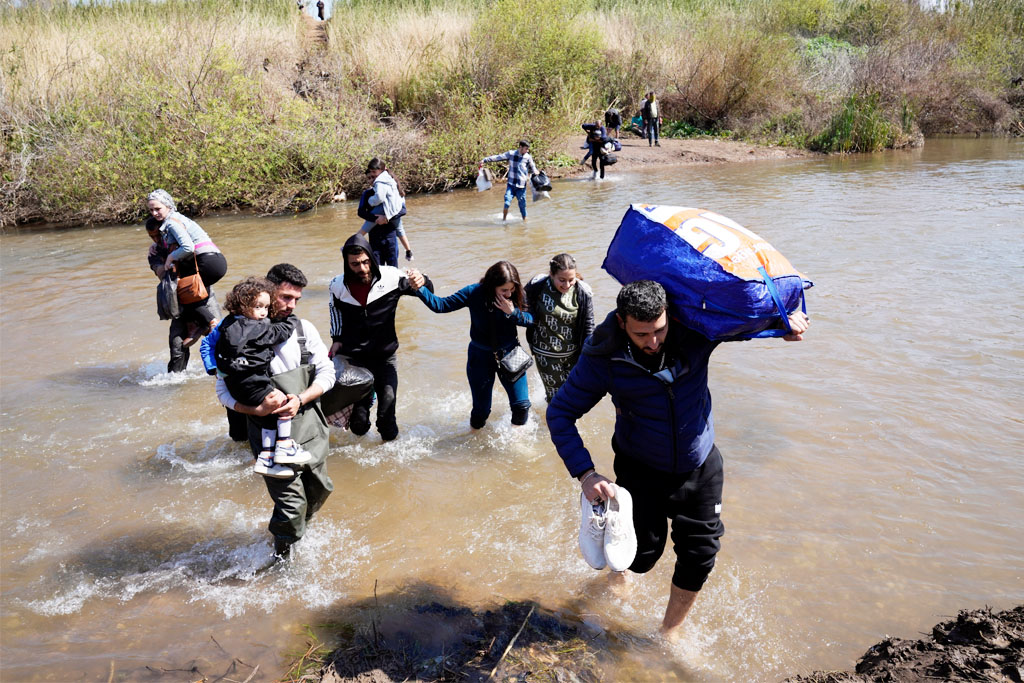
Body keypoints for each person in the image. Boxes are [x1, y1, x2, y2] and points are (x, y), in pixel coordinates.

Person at [546, 280, 809, 635]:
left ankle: (668, 631)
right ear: (622, 323)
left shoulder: (696, 332)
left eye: (659, 330)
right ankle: (618, 570)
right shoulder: (603, 358)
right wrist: (586, 474)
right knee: (641, 558)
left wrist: (783, 323)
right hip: (640, 468)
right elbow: (560, 413)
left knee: (700, 556)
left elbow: (742, 320)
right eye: (641, 334)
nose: (653, 342)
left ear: (669, 316)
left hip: (699, 465)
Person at [215, 263, 336, 560]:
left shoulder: (303, 329)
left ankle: (295, 538)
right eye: (284, 297)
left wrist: (301, 397)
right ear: (268, 292)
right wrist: (253, 408)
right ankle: (282, 559)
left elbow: (327, 373)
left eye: (296, 299)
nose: (290, 305)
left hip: (311, 430)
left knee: (319, 493)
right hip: (268, 437)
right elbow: (222, 390)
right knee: (292, 507)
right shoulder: (236, 332)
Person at [328, 233, 431, 441]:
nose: (362, 268)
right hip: (354, 358)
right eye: (355, 264)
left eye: (366, 262)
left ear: (372, 259)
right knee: (358, 425)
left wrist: (422, 280)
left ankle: (392, 464)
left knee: (386, 420)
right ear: (347, 264)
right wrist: (336, 337)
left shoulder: (391, 277)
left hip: (385, 356)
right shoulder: (337, 285)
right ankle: (366, 399)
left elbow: (427, 290)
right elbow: (334, 311)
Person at [410, 261, 533, 429]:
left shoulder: (517, 294)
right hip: (480, 357)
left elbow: (531, 320)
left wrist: (512, 313)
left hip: (511, 353)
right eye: (504, 290)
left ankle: (516, 444)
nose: (509, 294)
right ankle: (473, 437)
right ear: (491, 285)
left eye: (511, 289)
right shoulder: (474, 292)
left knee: (521, 406)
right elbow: (441, 305)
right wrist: (419, 289)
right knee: (482, 411)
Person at [215, 277, 311, 478]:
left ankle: (266, 458)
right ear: (242, 305)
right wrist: (293, 320)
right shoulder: (256, 327)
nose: (263, 313)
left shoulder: (227, 325)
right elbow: (280, 332)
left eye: (266, 308)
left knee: (268, 416)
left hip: (235, 384)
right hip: (253, 382)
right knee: (281, 401)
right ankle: (284, 446)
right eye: (258, 307)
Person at [146, 189, 228, 340]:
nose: (154, 213)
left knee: (182, 292)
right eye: (151, 210)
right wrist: (157, 246)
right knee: (188, 293)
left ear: (168, 205)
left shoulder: (171, 222)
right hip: (214, 259)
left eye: (158, 209)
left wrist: (170, 258)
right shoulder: (177, 219)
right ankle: (204, 324)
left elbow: (188, 247)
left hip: (208, 262)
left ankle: (208, 323)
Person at [524, 253, 595, 402]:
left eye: (571, 280)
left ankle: (562, 422)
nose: (567, 285)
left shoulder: (583, 292)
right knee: (555, 398)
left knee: (574, 394)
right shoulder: (538, 285)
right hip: (546, 354)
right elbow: (522, 303)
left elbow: (589, 325)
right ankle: (553, 423)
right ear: (551, 274)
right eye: (561, 280)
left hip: (573, 354)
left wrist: (588, 354)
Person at [357, 158, 414, 266]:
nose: (372, 179)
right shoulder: (367, 194)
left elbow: (403, 210)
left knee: (393, 269)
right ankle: (351, 246)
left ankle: (408, 251)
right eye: (369, 178)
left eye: (374, 176)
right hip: (374, 238)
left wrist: (386, 218)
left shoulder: (389, 189)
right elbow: (360, 212)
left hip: (390, 237)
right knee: (378, 270)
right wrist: (376, 219)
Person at [481, 140, 538, 222]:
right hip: (511, 185)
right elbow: (498, 157)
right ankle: (504, 221)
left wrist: (536, 171)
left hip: (521, 186)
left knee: (522, 206)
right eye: (526, 149)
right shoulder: (511, 154)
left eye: (528, 149)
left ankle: (525, 222)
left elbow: (533, 167)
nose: (527, 151)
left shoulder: (528, 157)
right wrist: (485, 160)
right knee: (507, 202)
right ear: (520, 147)